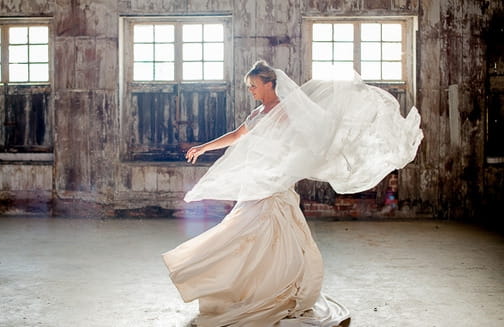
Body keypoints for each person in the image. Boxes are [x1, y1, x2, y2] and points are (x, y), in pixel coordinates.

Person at [163, 60, 423, 326]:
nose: (251, 90)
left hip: (275, 183)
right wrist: (203, 147)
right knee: (243, 233)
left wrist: (289, 164)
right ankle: (252, 289)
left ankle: (278, 291)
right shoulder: (257, 113)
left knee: (272, 235)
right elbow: (238, 134)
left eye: (254, 85)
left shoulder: (289, 111)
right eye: (249, 86)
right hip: (256, 181)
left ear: (269, 83)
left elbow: (310, 138)